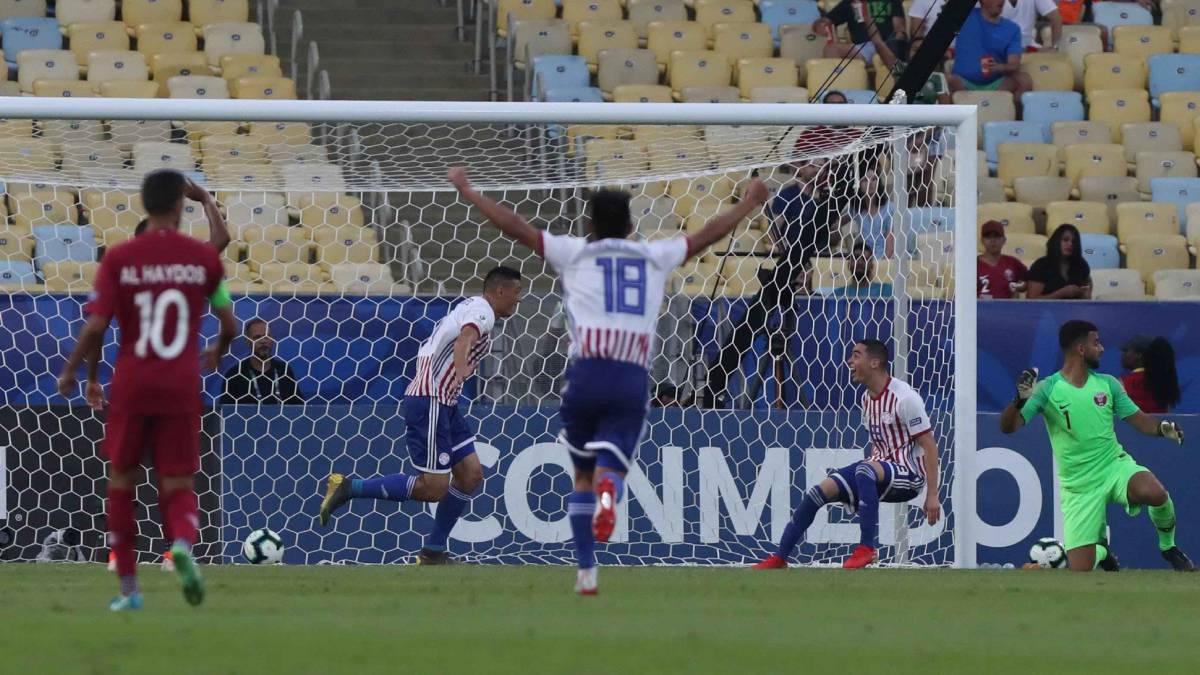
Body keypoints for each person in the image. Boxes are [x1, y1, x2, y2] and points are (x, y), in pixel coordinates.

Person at [446, 167, 768, 594]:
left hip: (585, 374)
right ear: (632, 226)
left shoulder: (575, 253)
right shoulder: (653, 256)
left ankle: (586, 574)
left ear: (589, 226)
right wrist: (749, 203)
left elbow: (515, 225)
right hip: (630, 377)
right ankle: (609, 493)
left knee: (581, 475)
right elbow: (708, 234)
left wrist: (469, 191)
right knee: (610, 469)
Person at [56, 169, 238, 610]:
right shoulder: (200, 260)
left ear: (144, 204)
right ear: (178, 205)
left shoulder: (121, 259)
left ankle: (128, 589)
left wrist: (75, 371)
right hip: (181, 384)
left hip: (133, 382)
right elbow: (231, 322)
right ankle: (181, 545)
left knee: (122, 480)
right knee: (178, 481)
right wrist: (217, 348)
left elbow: (96, 327)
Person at [318, 266, 524, 564]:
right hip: (431, 400)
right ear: (500, 291)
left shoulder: (470, 306)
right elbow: (465, 338)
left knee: (470, 475)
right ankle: (349, 487)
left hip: (445, 403)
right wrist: (462, 368)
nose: (518, 299)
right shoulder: (483, 312)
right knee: (433, 488)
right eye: (517, 292)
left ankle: (433, 552)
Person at [1000, 320, 1193, 572]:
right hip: (1078, 486)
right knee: (1081, 570)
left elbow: (1139, 420)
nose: (1102, 349)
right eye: (1096, 343)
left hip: (1113, 466)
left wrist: (1161, 429)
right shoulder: (1048, 389)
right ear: (1081, 349)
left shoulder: (1108, 384)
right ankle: (1102, 551)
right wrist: (1019, 399)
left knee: (1155, 492)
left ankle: (1168, 547)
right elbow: (1008, 427)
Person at [754, 339, 941, 569]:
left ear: (874, 362)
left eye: (856, 355)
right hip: (877, 469)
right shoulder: (866, 399)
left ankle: (867, 548)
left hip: (910, 476)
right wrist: (863, 489)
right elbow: (878, 445)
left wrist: (932, 495)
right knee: (818, 492)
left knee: (864, 469)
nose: (850, 361)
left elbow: (929, 445)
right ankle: (780, 557)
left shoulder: (905, 399)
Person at [703, 158, 839, 408]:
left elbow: (832, 233)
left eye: (822, 166)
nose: (818, 169)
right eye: (813, 164)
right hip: (790, 258)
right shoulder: (790, 195)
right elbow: (777, 228)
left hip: (802, 258)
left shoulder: (825, 204)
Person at [948, 0, 1032, 104]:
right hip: (962, 83)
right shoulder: (965, 16)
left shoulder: (1013, 29)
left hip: (996, 84)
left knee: (1024, 80)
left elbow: (1014, 65)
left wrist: (999, 67)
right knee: (946, 80)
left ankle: (1013, 114)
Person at [220, 319, 305, 404]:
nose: (263, 341)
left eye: (267, 336)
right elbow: (226, 410)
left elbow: (298, 407)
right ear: (248, 341)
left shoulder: (284, 371)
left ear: (272, 339)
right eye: (257, 337)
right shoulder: (234, 375)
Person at [814, 0, 908, 69]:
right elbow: (824, 21)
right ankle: (841, 85)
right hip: (863, 48)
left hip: (887, 45)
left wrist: (895, 45)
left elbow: (899, 28)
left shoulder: (892, 1)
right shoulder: (849, 2)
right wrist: (821, 25)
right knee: (831, 49)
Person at [1026, 224, 1091, 299]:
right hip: (1047, 307)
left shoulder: (1081, 264)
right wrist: (1061, 293)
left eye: (1074, 242)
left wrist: (1085, 294)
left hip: (1075, 306)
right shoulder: (1040, 265)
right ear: (1056, 241)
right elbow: (1032, 301)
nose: (1070, 244)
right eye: (1065, 240)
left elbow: (1087, 292)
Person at [1120, 335, 1181, 414]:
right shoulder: (1164, 382)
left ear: (1139, 355)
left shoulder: (1121, 383)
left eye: (1126, 351)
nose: (1122, 355)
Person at [977, 219, 1028, 299]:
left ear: (1004, 240)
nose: (993, 241)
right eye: (988, 237)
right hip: (980, 306)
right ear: (982, 241)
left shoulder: (1013, 262)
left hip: (1007, 306)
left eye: (997, 237)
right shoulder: (973, 265)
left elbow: (1027, 282)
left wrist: (1017, 286)